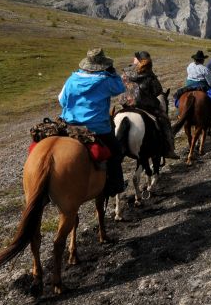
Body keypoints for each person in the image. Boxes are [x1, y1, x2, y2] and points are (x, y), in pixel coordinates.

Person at [58, 48, 126, 197]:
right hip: (97, 129)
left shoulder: (72, 79)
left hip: (70, 126)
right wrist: (113, 73)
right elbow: (120, 88)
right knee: (116, 150)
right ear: (103, 64)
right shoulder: (106, 80)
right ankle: (115, 185)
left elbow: (61, 100)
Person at [121, 51, 179, 159]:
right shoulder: (149, 74)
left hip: (127, 105)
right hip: (145, 105)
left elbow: (120, 87)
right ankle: (169, 149)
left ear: (137, 60)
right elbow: (157, 91)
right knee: (164, 120)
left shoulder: (125, 72)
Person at [177, 50, 211, 120]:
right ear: (202, 60)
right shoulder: (204, 69)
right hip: (201, 85)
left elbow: (188, 74)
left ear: (194, 59)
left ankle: (179, 114)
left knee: (178, 97)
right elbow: (210, 82)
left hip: (189, 85)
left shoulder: (190, 65)